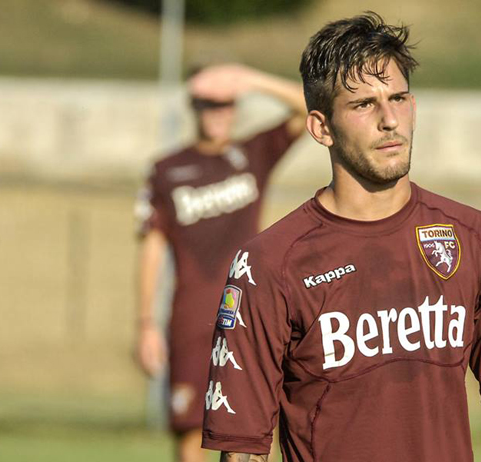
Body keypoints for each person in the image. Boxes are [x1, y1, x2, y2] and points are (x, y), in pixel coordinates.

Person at [201, 12, 481, 462]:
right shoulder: (268, 265)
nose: (389, 120)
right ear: (321, 127)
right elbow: (243, 450)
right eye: (363, 105)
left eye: (397, 98)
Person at [134, 63, 306, 462]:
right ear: (193, 107)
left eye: (225, 104)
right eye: (208, 104)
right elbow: (152, 248)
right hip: (193, 316)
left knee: (253, 428)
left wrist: (250, 79)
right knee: (191, 428)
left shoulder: (252, 154)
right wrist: (145, 324)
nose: (217, 113)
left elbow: (311, 108)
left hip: (250, 310)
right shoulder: (167, 170)